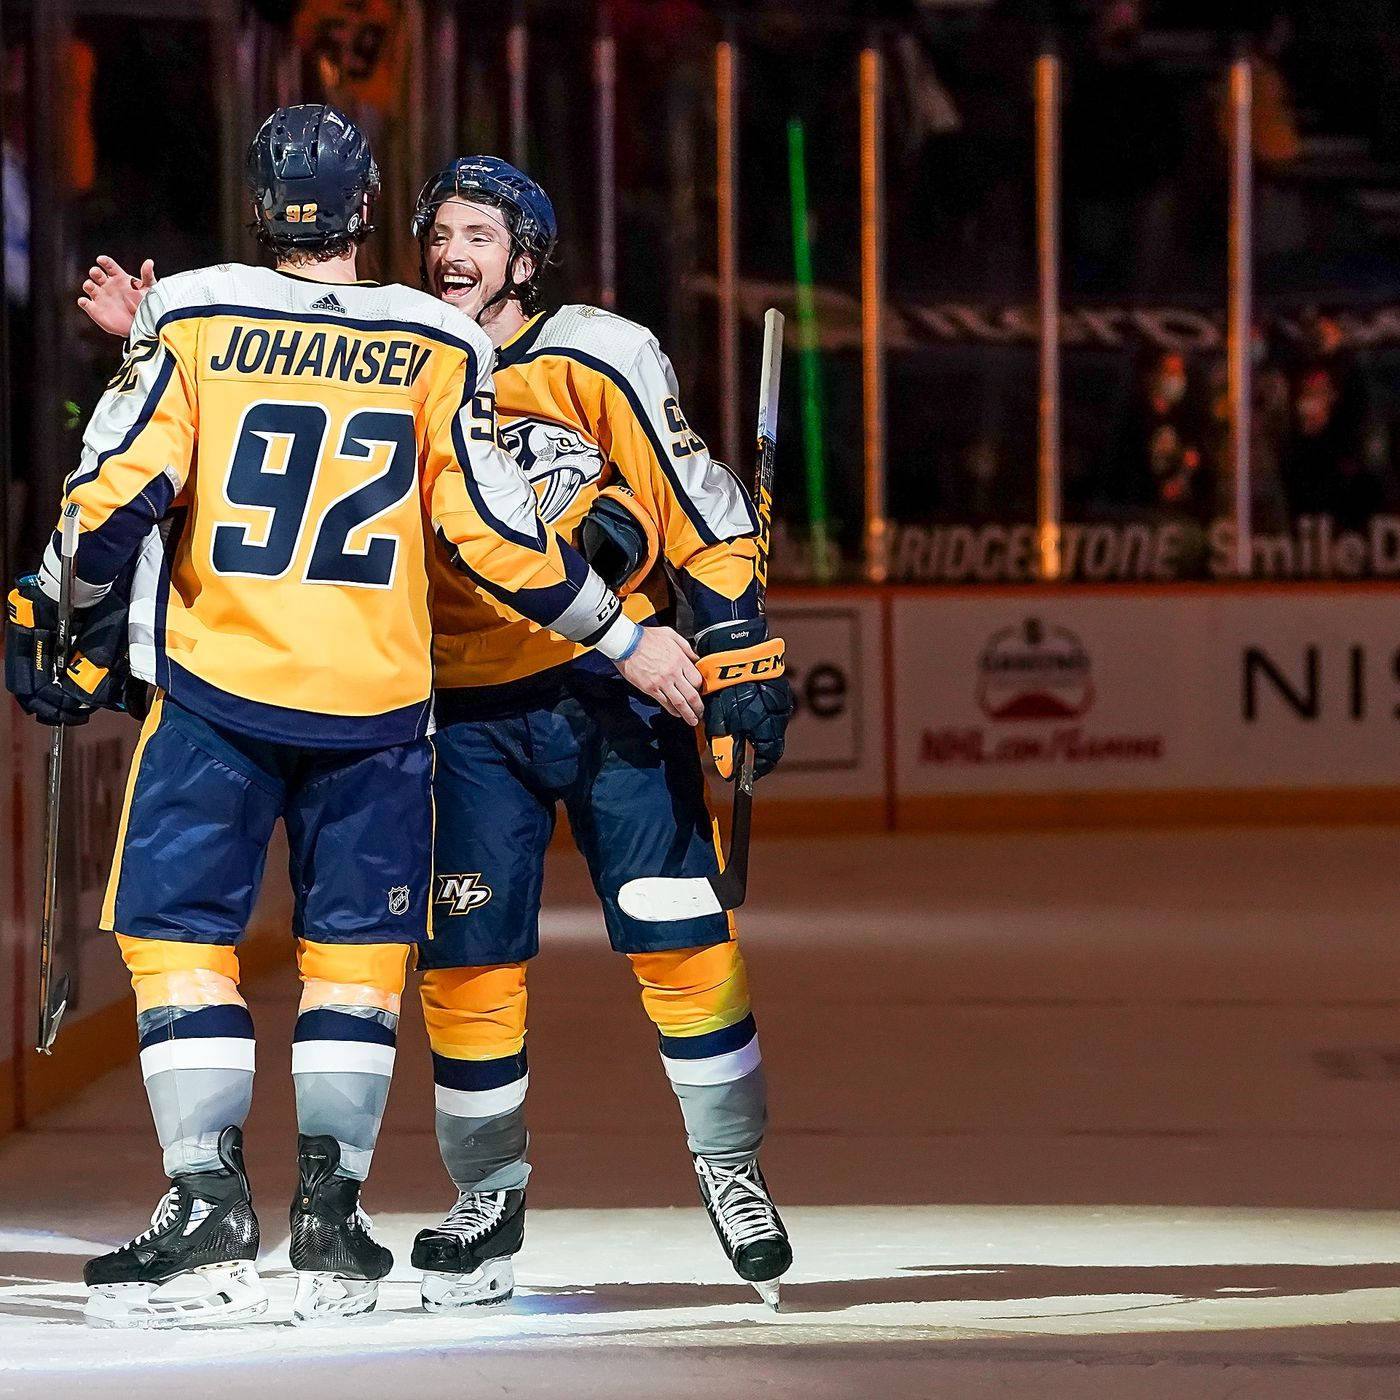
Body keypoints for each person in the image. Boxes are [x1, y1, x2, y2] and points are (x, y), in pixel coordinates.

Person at [13, 105, 699, 1329]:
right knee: (358, 962)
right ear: (370, 209)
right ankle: (331, 1218)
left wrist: (48, 605)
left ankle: (207, 1203)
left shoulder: (199, 311)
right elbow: (496, 538)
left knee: (177, 939)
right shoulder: (439, 338)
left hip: (221, 693)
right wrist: (625, 635)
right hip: (381, 707)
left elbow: (114, 495)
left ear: (260, 203)